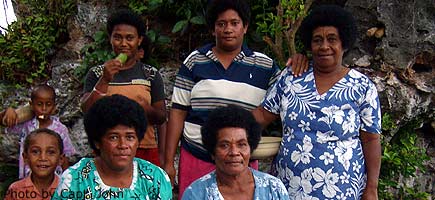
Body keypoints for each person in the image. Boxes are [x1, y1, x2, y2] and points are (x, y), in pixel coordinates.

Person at [163, 0, 308, 196]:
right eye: (221, 24)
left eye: (234, 23)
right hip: (196, 156)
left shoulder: (264, 66)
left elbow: (284, 97)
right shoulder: (195, 61)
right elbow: (178, 112)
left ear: (245, 27)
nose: (228, 29)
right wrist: (169, 161)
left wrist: (300, 60)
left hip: (240, 160)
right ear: (213, 29)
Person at [252, 5, 382, 199]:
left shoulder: (362, 87)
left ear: (344, 43)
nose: (324, 46)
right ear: (309, 44)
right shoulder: (291, 77)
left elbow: (371, 139)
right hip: (290, 186)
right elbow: (262, 115)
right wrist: (225, 131)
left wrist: (372, 187)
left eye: (332, 39)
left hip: (342, 189)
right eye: (317, 40)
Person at [80, 9, 166, 166]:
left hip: (144, 149)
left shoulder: (150, 75)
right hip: (107, 151)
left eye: (130, 38)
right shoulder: (97, 73)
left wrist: (144, 109)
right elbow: (86, 109)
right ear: (110, 39)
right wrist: (105, 80)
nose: (123, 44)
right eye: (117, 37)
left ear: (139, 40)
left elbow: (161, 117)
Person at [53, 94, 172, 199]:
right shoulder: (74, 180)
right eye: (113, 137)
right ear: (97, 142)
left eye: (130, 137)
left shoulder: (155, 178)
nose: (123, 145)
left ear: (138, 141)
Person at [182, 105, 289, 199]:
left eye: (241, 144)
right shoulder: (196, 194)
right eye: (224, 145)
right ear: (212, 152)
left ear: (250, 148)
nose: (234, 152)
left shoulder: (274, 188)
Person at [0, 83, 76, 179]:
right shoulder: (26, 126)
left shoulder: (60, 129)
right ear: (31, 105)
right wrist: (8, 111)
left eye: (48, 104)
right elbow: (4, 122)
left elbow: (64, 157)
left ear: (54, 106)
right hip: (29, 180)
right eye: (39, 104)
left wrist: (68, 181)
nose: (44, 109)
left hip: (54, 181)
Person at [5, 128, 65, 200]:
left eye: (51, 152)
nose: (43, 158)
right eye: (35, 152)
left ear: (60, 159)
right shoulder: (16, 190)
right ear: (25, 158)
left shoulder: (67, 188)